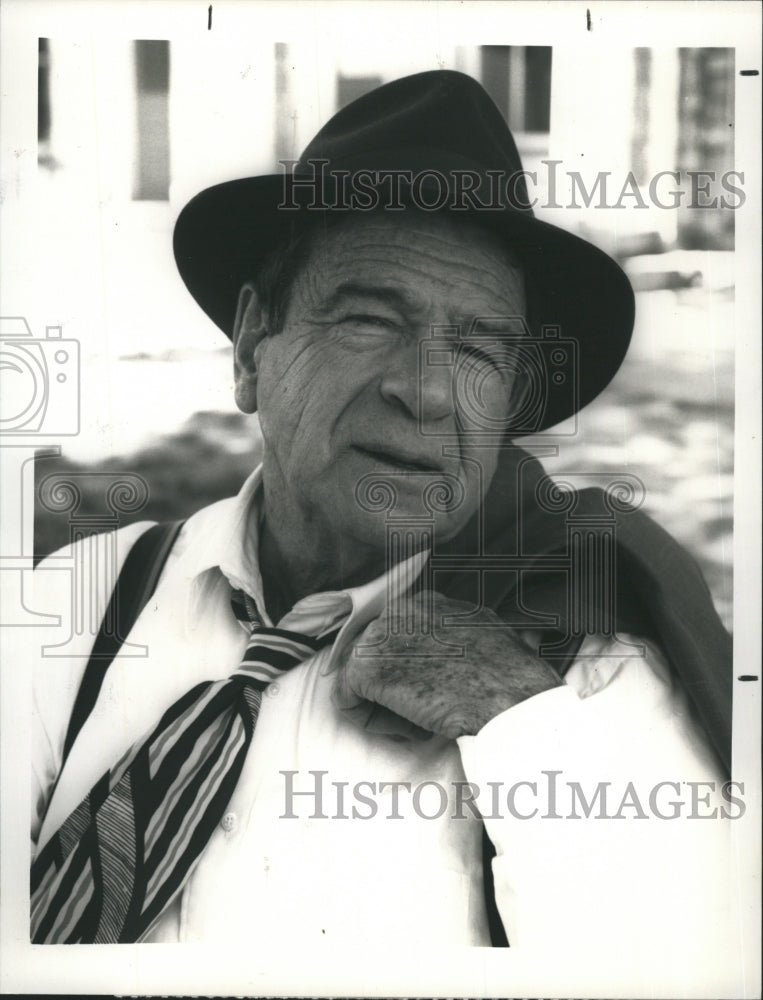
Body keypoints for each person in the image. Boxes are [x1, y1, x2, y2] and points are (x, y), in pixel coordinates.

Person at [28, 71, 735, 976]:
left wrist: (517, 715)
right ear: (251, 348)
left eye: (480, 349)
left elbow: (684, 967)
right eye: (368, 319)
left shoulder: (589, 662)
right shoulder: (79, 605)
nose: (428, 389)